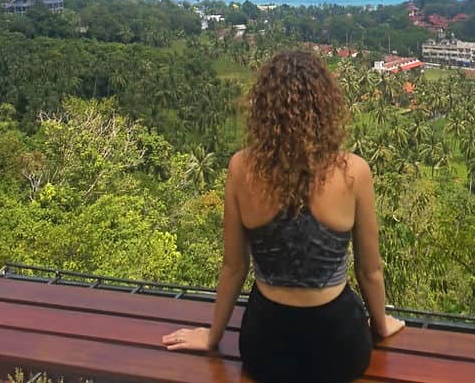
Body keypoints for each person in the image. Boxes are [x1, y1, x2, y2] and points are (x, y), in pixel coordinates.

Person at [162, 50, 404, 383]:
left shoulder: (241, 169)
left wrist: (212, 335)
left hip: (266, 346)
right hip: (338, 347)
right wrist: (381, 323)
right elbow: (369, 270)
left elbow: (233, 266)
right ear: (325, 108)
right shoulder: (353, 172)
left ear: (264, 110)